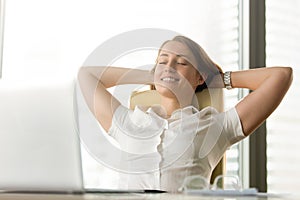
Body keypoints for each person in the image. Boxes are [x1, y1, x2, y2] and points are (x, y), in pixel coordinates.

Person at [77, 35, 293, 192]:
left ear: (199, 78)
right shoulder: (128, 122)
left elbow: (281, 76)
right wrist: (153, 75)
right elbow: (86, 75)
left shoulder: (216, 127)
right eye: (162, 61)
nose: (169, 66)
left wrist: (217, 80)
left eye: (181, 63)